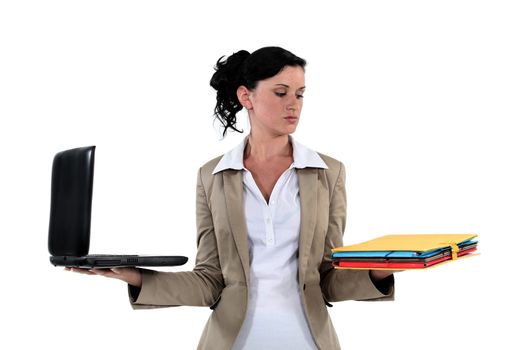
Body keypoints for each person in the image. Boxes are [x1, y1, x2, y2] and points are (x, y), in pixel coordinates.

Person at [67, 46, 396, 350]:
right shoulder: (212, 176)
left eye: (300, 94)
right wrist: (138, 278)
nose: (293, 104)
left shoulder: (328, 172)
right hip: (232, 342)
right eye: (280, 93)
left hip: (309, 340)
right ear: (246, 96)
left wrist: (380, 271)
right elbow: (209, 280)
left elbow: (327, 277)